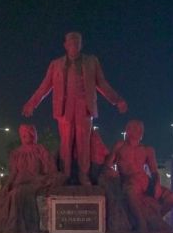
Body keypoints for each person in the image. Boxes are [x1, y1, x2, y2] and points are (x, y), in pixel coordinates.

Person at [22, 31, 128, 185]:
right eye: (71, 43)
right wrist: (31, 103)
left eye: (77, 42)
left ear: (81, 44)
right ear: (65, 45)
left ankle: (83, 175)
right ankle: (65, 174)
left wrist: (117, 100)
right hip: (64, 109)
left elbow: (102, 84)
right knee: (66, 142)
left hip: (84, 108)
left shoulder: (91, 61)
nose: (74, 45)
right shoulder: (56, 64)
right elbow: (44, 87)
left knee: (83, 143)